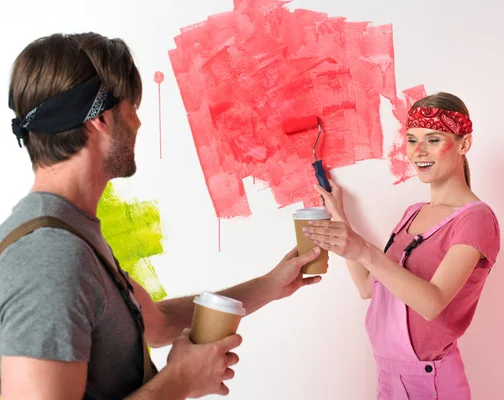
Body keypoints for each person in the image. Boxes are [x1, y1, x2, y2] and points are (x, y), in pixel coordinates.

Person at [0, 32, 323, 400]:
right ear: (100, 119)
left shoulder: (70, 231)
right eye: (131, 108)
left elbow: (156, 323)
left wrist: (272, 285)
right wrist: (181, 381)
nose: (137, 124)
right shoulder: (50, 260)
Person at [304, 92, 501, 399]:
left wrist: (364, 250)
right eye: (411, 139)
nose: (417, 151)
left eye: (433, 140)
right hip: (387, 375)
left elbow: (432, 303)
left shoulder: (476, 219)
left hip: (430, 382)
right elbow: (368, 286)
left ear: (464, 144)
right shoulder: (413, 213)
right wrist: (340, 218)